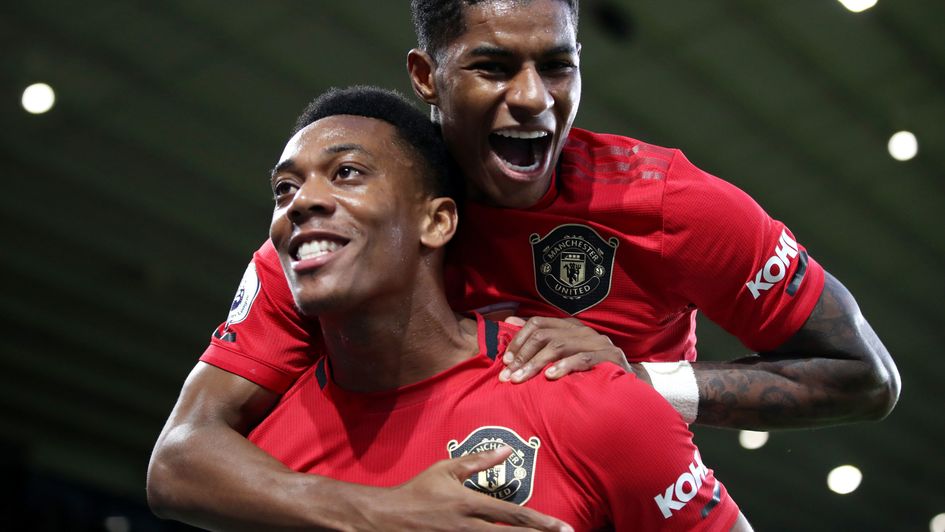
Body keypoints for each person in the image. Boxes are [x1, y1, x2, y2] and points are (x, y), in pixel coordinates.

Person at [148, 0, 899, 527]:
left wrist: (642, 385)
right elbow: (183, 452)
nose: (534, 98)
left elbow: (865, 378)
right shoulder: (343, 233)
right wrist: (382, 515)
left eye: (558, 66)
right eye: (494, 66)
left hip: (614, 484)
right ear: (427, 75)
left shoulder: (672, 206)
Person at [255, 85, 749, 530]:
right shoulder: (259, 465)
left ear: (437, 222)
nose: (301, 201)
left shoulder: (592, 402)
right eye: (284, 188)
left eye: (346, 173)